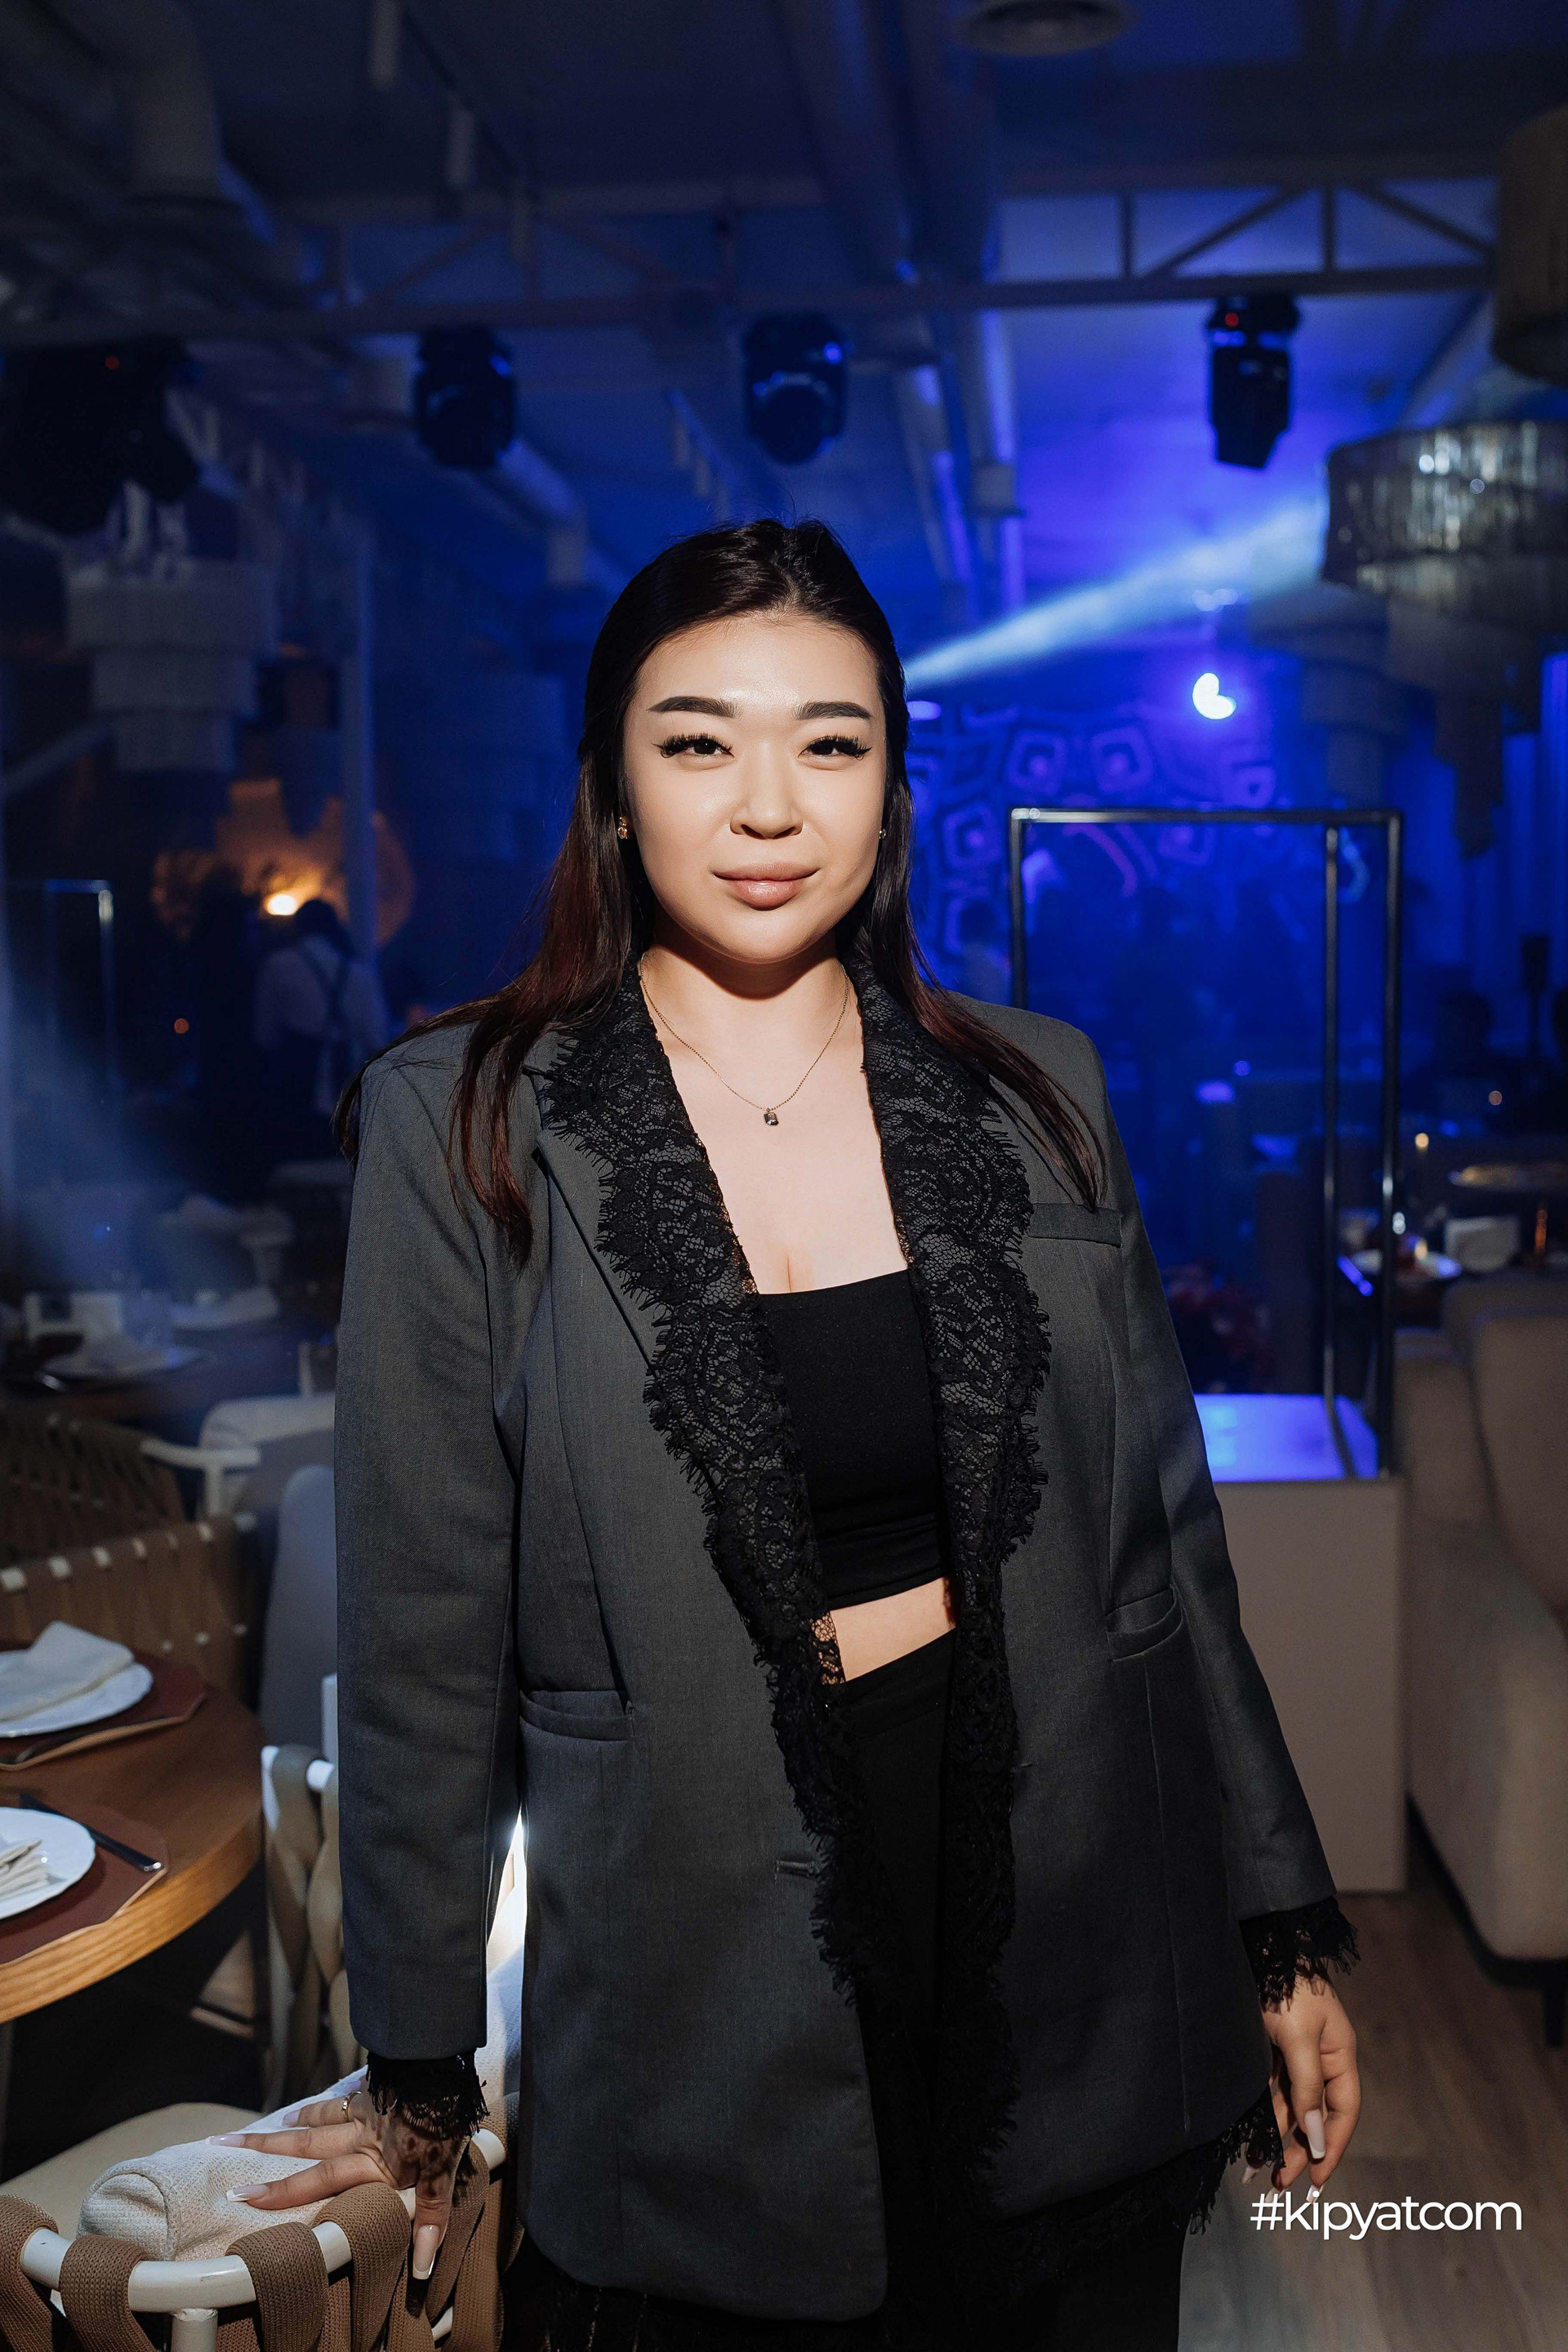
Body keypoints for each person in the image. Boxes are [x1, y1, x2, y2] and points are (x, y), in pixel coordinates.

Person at [222, 523, 1361, 2350]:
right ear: (614, 787)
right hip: (690, 1945)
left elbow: (1168, 1553)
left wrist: (1276, 1925)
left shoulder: (1037, 1091)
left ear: (892, 786)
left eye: (831, 742)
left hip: (1075, 1884)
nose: (769, 804)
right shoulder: (466, 1124)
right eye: (699, 741)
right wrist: (417, 2059)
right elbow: (425, 1629)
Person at [252, 896, 389, 1164]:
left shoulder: (278, 965)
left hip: (295, 1079)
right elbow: (376, 1039)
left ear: (297, 927)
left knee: (297, 1160)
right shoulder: (360, 974)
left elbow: (264, 1035)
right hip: (346, 1077)